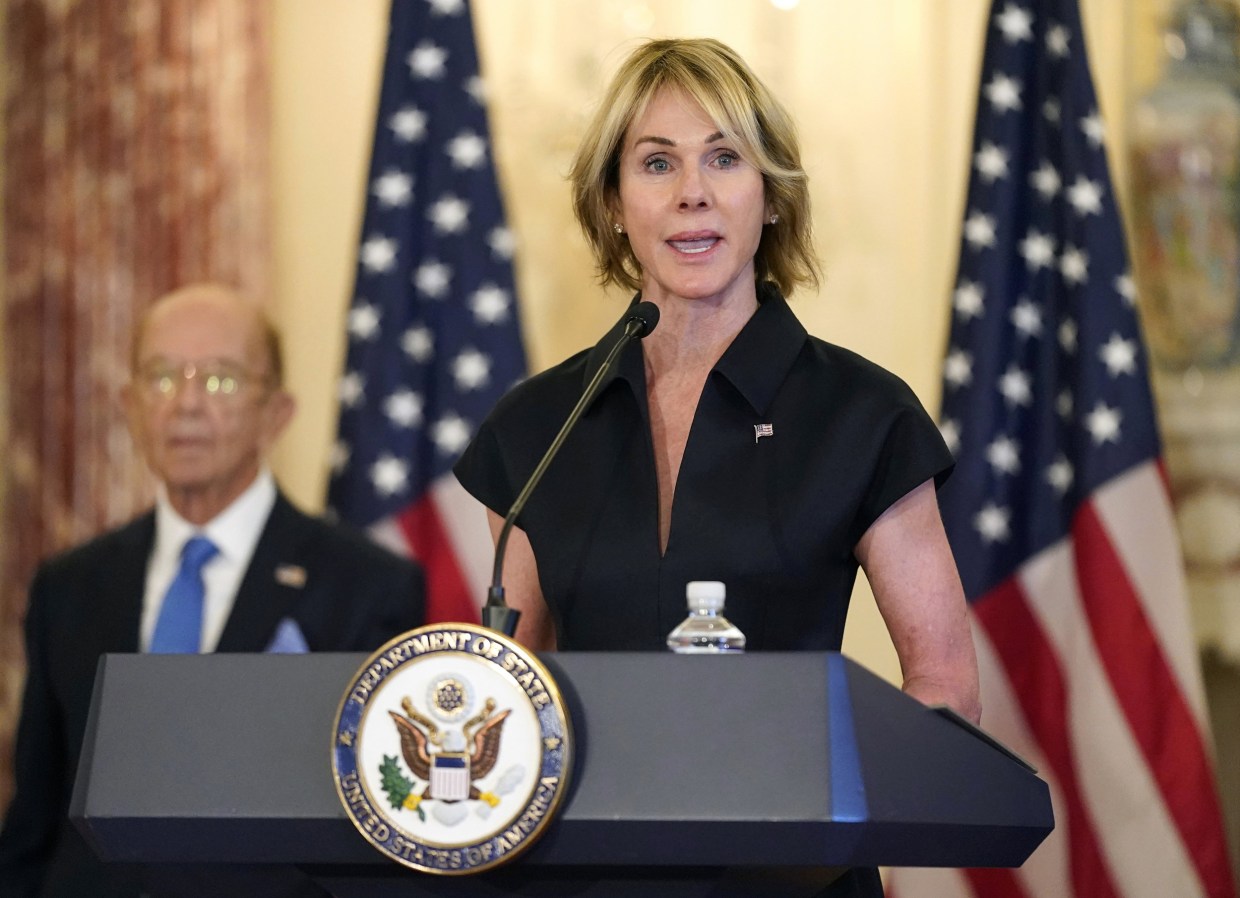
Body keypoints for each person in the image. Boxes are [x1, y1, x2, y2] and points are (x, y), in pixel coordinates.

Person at [453, 38, 980, 896]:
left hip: (796, 874)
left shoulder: (861, 415)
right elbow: (516, 682)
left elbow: (947, 687)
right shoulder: (539, 427)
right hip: (585, 877)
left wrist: (828, 809)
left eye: (724, 158)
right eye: (656, 162)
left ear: (768, 197)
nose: (692, 191)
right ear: (615, 204)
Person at [0, 283, 426, 898]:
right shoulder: (68, 586)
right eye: (162, 377)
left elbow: (379, 825)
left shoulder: (366, 585)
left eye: (221, 380)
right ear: (130, 404)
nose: (187, 404)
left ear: (276, 412)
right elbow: (34, 819)